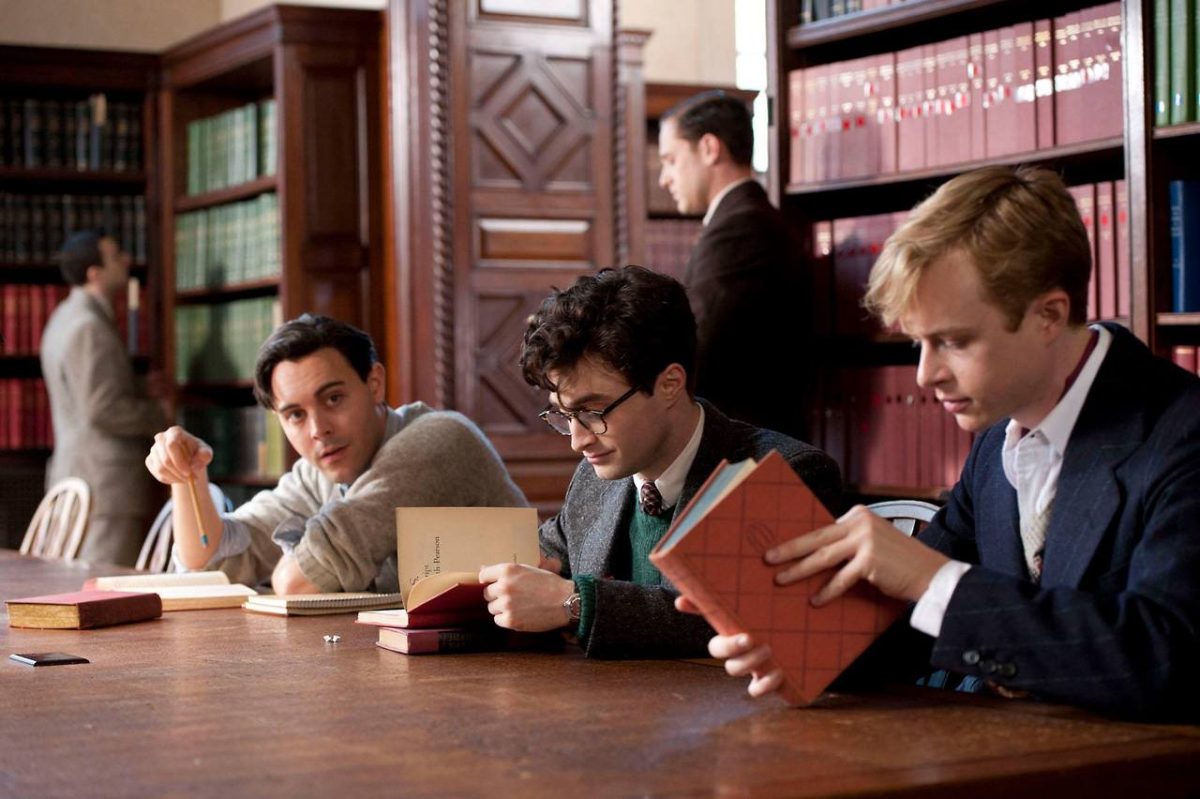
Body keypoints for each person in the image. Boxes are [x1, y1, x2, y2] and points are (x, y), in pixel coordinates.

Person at [691, 166, 1200, 721]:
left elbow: (1165, 659)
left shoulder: (1182, 435)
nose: (924, 375)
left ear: (1049, 315)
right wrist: (799, 638)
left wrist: (930, 576)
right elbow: (920, 625)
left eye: (953, 342)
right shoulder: (993, 444)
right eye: (917, 343)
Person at [478, 266, 841, 658]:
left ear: (670, 384)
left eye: (594, 411)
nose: (578, 441)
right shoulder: (595, 479)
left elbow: (732, 619)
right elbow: (541, 557)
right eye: (564, 416)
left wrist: (575, 603)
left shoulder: (783, 473)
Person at [145, 313, 527, 594]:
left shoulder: (438, 441)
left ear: (374, 384)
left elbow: (299, 582)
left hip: (512, 674)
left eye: (333, 398)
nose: (318, 429)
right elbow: (214, 564)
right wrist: (188, 474)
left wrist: (291, 564)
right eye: (295, 415)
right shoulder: (320, 473)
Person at [658, 91, 809, 437]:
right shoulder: (743, 219)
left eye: (670, 160)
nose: (664, 178)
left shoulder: (742, 227)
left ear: (710, 148)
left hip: (746, 449)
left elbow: (694, 344)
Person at [40, 230, 167, 566]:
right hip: (102, 486)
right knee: (103, 588)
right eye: (115, 256)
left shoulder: (63, 317)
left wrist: (138, 386)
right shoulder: (89, 326)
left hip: (84, 476)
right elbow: (101, 409)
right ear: (94, 273)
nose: (126, 260)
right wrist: (162, 416)